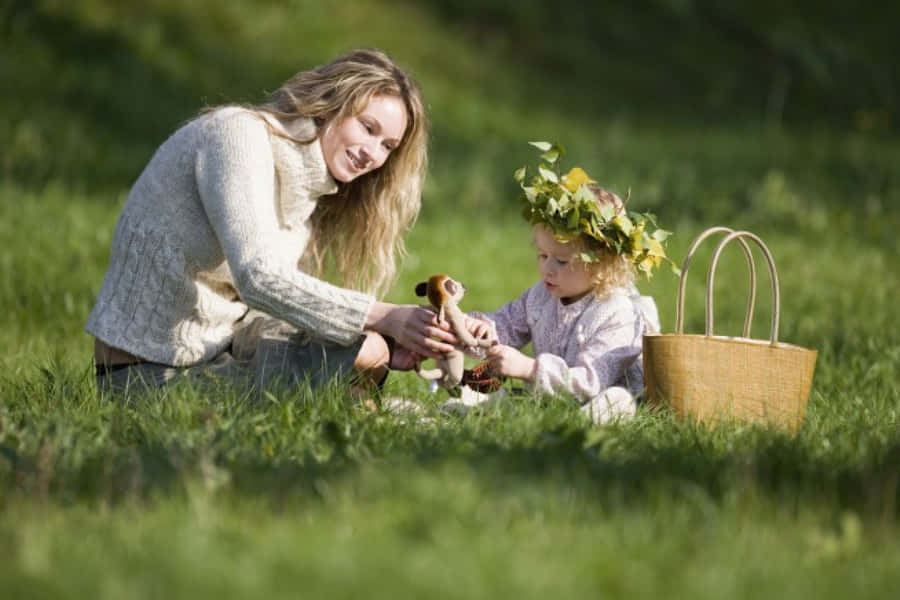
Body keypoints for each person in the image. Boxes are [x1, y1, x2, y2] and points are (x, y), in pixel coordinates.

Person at [87, 48, 456, 395]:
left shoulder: (307, 187)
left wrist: (394, 342)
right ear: (331, 105)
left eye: (388, 146)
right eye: (368, 127)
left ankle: (380, 404)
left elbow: (263, 308)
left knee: (368, 351)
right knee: (362, 353)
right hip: (145, 375)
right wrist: (384, 316)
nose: (372, 154)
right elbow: (258, 277)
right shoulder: (237, 134)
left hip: (220, 351)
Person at [465, 148, 667, 424]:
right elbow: (507, 325)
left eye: (561, 261)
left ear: (601, 264)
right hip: (552, 397)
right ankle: (488, 409)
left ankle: (579, 426)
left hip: (600, 396)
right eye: (542, 255)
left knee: (617, 401)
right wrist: (480, 329)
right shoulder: (541, 296)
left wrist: (530, 369)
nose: (547, 268)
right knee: (490, 392)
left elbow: (591, 380)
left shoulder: (618, 313)